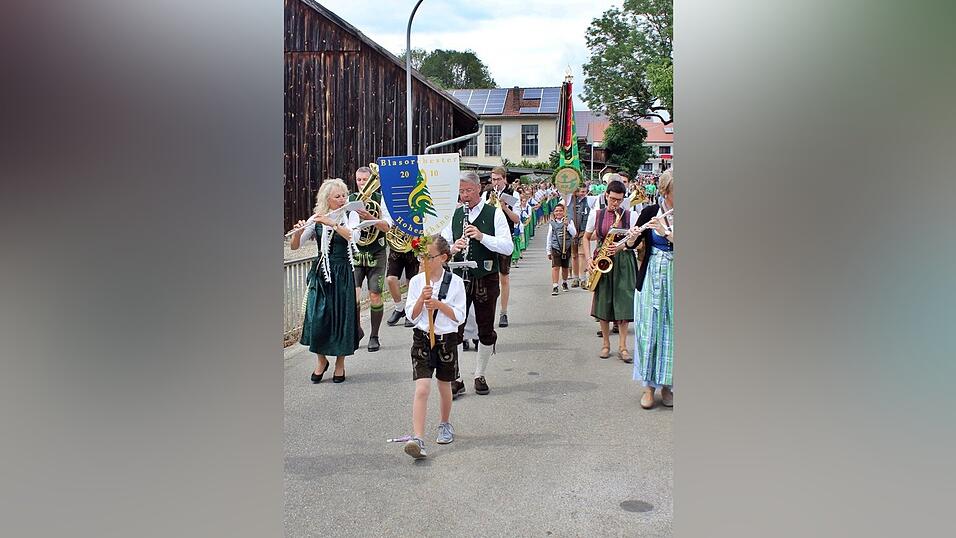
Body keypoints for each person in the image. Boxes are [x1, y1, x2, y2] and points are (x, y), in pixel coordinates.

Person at [443, 171, 514, 397]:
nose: (464, 196)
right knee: (455, 328)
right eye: (461, 191)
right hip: (458, 279)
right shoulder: (455, 214)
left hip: (486, 277)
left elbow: (508, 247)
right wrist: (453, 248)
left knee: (485, 328)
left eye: (468, 191)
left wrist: (482, 237)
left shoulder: (494, 213)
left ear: (478, 189)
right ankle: (457, 378)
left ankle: (479, 374)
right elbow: (444, 243)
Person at [289, 178, 360, 384]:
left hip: (343, 272)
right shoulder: (317, 218)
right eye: (337, 196)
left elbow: (353, 237)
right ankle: (321, 360)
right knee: (316, 317)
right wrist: (298, 232)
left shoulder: (351, 215)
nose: (342, 199)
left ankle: (340, 364)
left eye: (344, 195)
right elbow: (295, 246)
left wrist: (334, 224)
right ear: (327, 199)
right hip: (322, 272)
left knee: (341, 318)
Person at [402, 235, 467, 459]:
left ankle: (445, 423)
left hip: (446, 339)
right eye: (422, 256)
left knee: (444, 385)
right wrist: (422, 299)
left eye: (429, 257)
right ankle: (418, 438)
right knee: (422, 388)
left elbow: (459, 316)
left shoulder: (455, 282)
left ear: (443, 257)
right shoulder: (416, 282)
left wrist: (438, 304)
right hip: (422, 338)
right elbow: (411, 315)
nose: (424, 261)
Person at [631, 170, 675, 409]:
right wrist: (630, 238)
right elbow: (634, 243)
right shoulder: (650, 212)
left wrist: (665, 232)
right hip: (651, 277)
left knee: (672, 332)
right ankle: (648, 387)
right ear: (665, 192)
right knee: (649, 330)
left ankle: (668, 386)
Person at [582, 180, 637, 363]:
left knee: (623, 302)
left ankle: (623, 346)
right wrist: (588, 260)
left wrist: (623, 246)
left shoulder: (630, 215)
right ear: (606, 195)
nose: (615, 203)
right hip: (602, 260)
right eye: (612, 199)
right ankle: (605, 344)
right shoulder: (596, 214)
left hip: (624, 262)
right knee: (603, 302)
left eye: (619, 200)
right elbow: (586, 238)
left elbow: (636, 242)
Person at [348, 166, 391, 352]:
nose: (362, 183)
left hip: (376, 252)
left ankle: (374, 335)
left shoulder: (381, 200)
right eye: (359, 180)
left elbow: (387, 227)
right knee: (353, 295)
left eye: (365, 180)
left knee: (375, 294)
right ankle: (357, 331)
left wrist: (370, 217)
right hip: (356, 253)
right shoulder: (350, 200)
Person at [486, 166, 520, 328]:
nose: (496, 183)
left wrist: (505, 207)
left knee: (504, 277)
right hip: (488, 239)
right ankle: (488, 312)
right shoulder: (486, 193)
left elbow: (517, 219)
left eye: (498, 179)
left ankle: (503, 312)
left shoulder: (513, 194)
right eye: (493, 179)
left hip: (505, 239)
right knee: (487, 277)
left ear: (505, 179)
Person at [384, 234, 421, 329]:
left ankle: (411, 311)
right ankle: (399, 309)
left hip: (413, 246)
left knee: (412, 281)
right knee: (391, 279)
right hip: (396, 246)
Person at [546, 202, 577, 295]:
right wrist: (548, 250)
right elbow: (549, 237)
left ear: (564, 212)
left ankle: (564, 282)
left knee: (565, 267)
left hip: (566, 247)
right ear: (554, 213)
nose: (559, 212)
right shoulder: (552, 223)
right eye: (556, 211)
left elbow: (574, 233)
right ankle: (555, 286)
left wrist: (568, 225)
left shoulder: (569, 221)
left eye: (560, 211)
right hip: (556, 248)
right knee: (555, 267)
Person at [568, 185, 591, 288]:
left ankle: (583, 279)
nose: (583, 194)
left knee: (582, 254)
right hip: (572, 231)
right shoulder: (570, 200)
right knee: (574, 255)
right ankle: (575, 278)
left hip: (583, 231)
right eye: (581, 191)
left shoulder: (588, 201)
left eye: (585, 191)